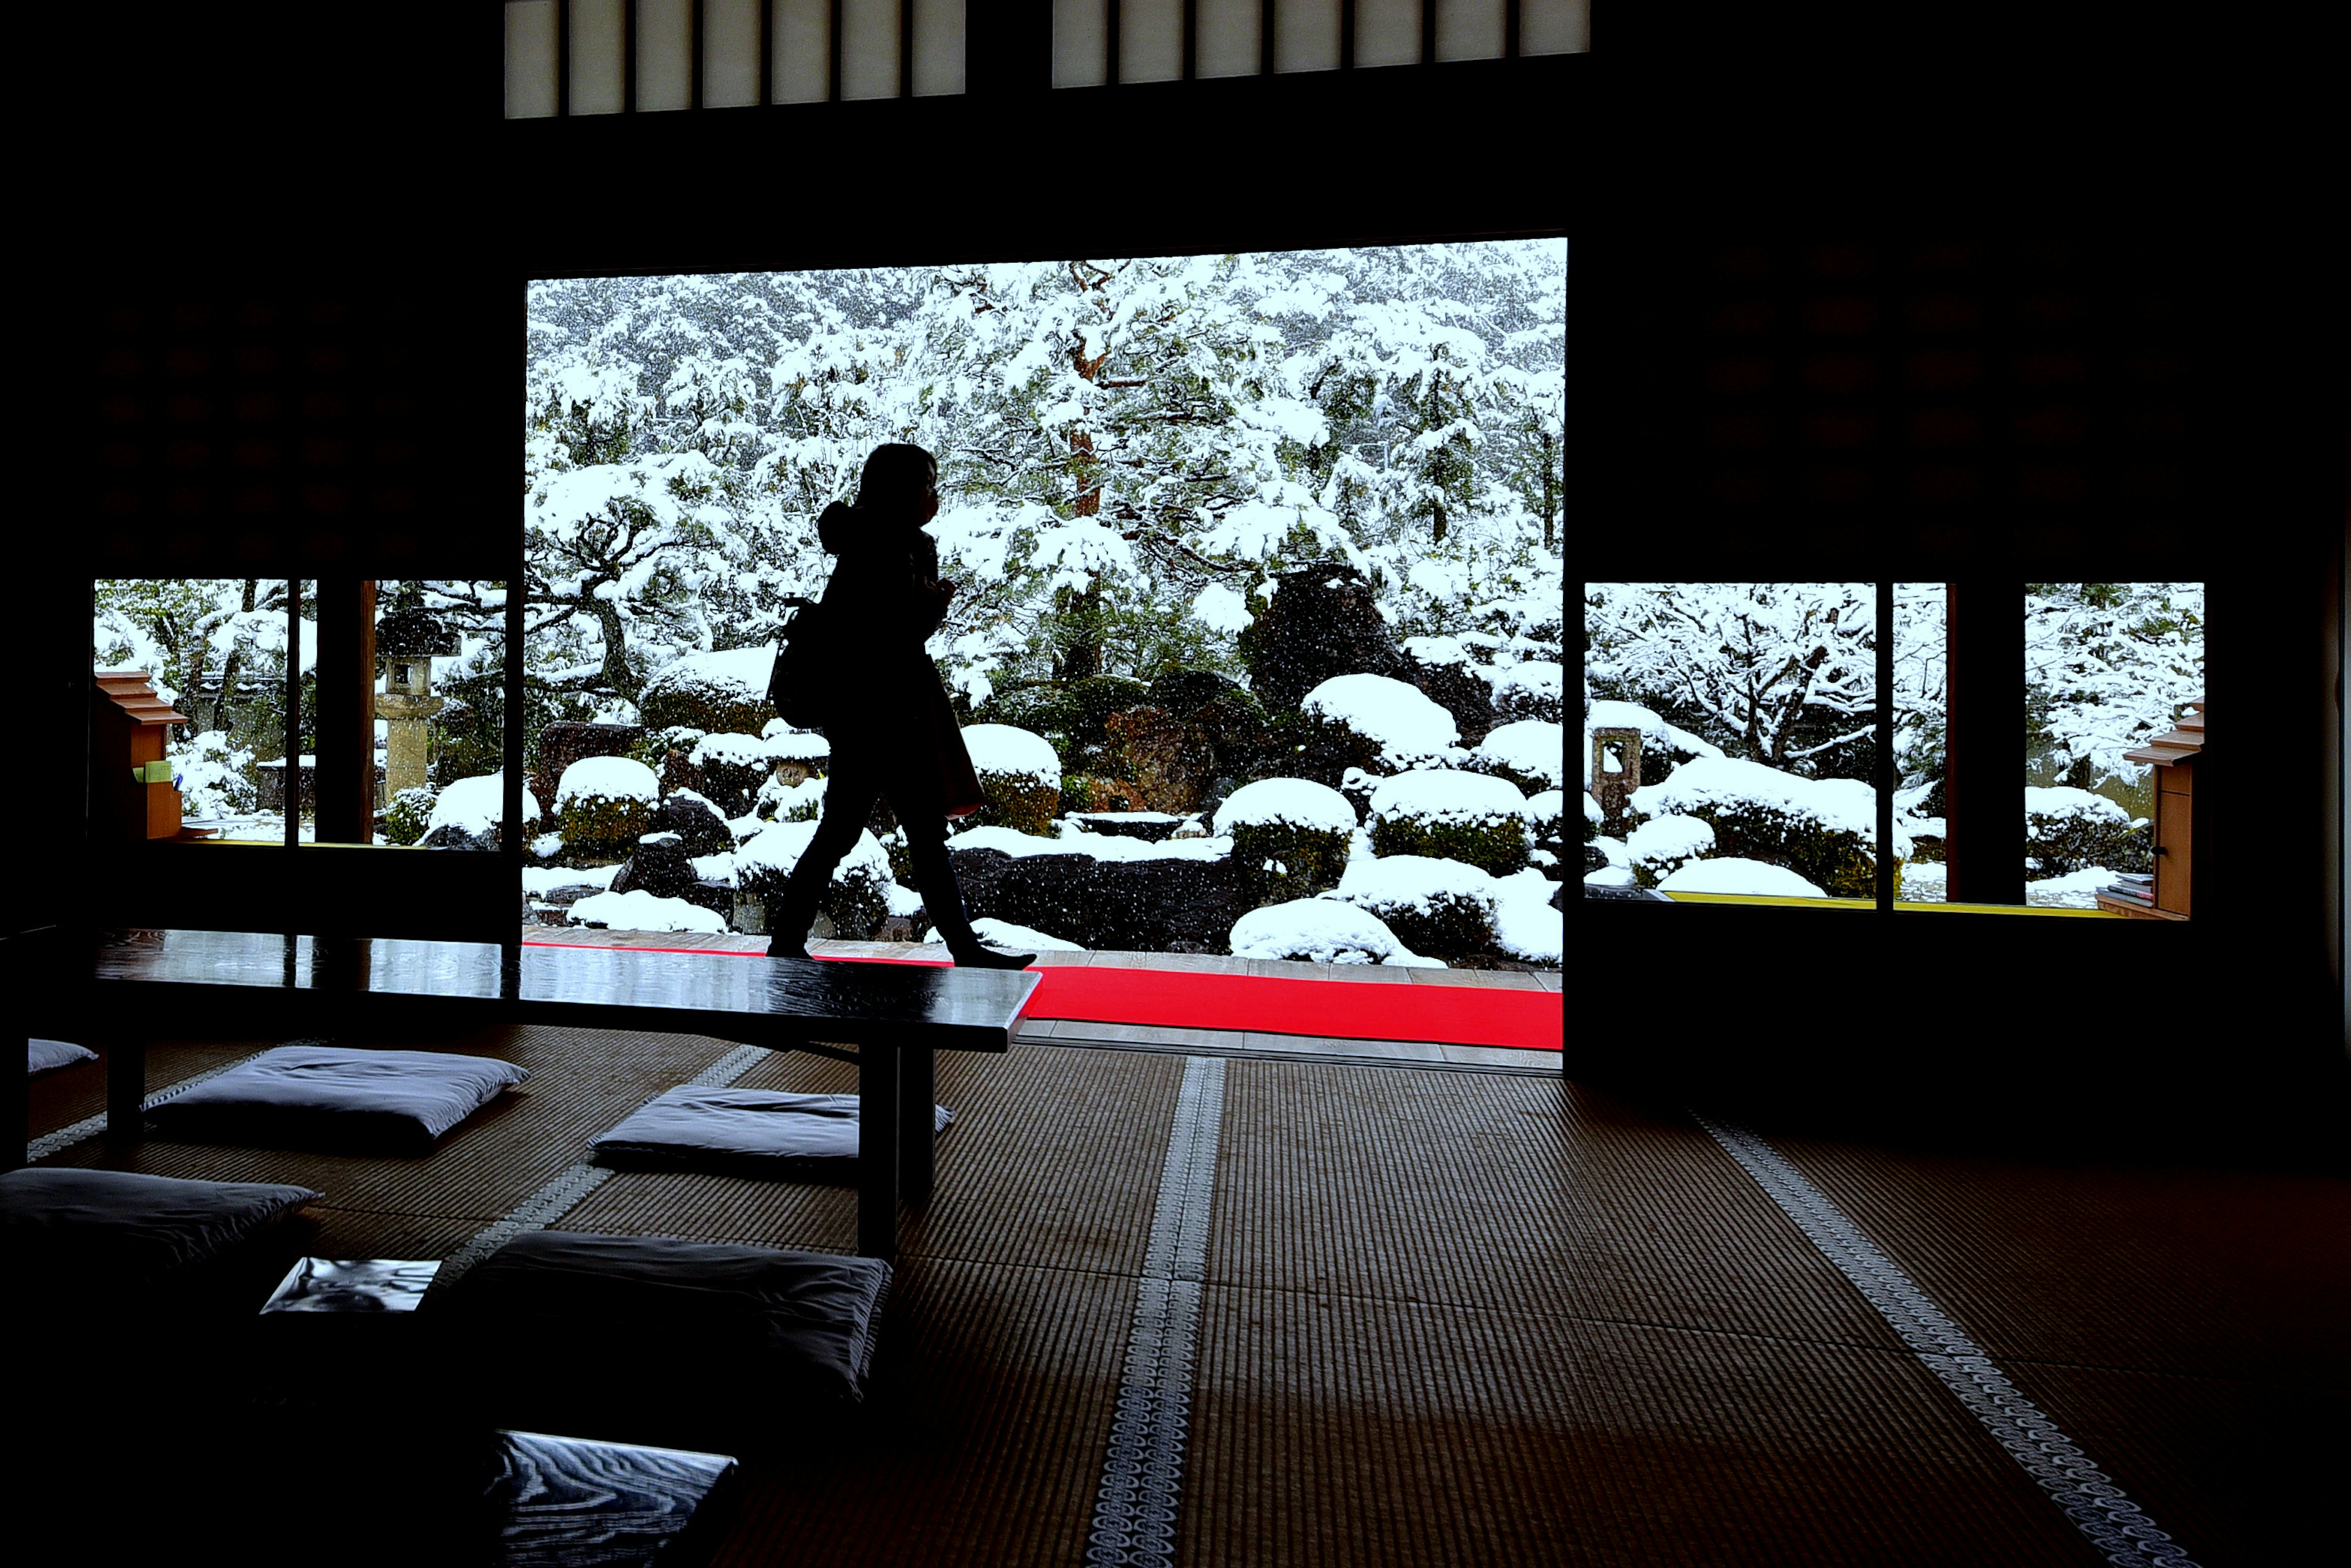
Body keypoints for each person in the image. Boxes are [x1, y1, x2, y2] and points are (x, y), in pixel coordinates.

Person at [767, 443, 1034, 969]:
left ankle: (787, 939)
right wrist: (935, 601)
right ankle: (964, 948)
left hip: (857, 712)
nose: (935, 498)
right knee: (922, 836)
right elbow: (898, 629)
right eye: (928, 486)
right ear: (902, 491)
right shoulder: (895, 545)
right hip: (889, 713)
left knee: (843, 832)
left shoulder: (860, 539)